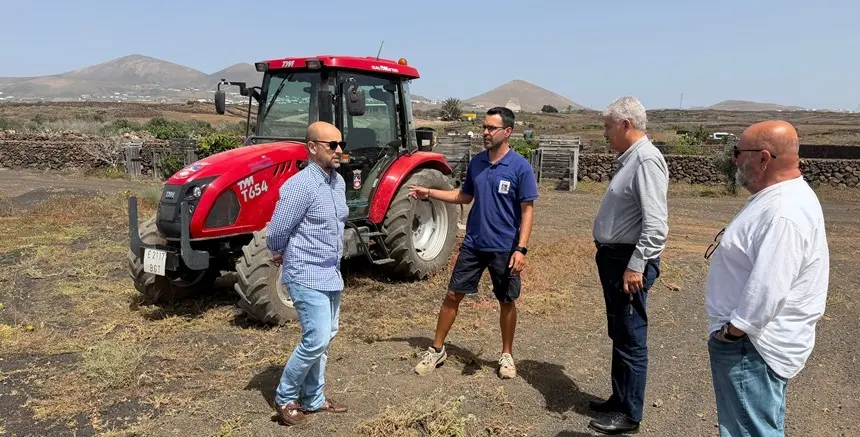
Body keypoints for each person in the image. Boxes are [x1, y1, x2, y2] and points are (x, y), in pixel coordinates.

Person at [704, 120, 829, 437]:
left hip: (751, 346)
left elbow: (768, 288)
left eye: (738, 152)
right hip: (752, 344)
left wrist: (732, 332)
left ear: (763, 158)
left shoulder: (784, 212)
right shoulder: (781, 197)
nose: (734, 159)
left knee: (751, 431)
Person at [409, 106, 538, 379]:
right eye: (484, 127)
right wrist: (429, 192)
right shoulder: (478, 162)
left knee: (506, 300)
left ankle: (506, 355)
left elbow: (527, 210)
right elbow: (464, 196)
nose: (485, 132)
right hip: (474, 244)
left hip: (505, 246)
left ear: (508, 132)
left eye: (491, 128)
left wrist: (521, 249)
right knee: (453, 295)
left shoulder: (520, 168)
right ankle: (436, 349)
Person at [589, 96, 669, 435]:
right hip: (614, 258)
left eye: (608, 127)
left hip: (627, 261)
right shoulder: (630, 159)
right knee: (619, 331)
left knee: (631, 336)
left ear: (625, 125)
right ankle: (619, 399)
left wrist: (636, 266)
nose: (605, 134)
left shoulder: (646, 160)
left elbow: (656, 225)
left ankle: (630, 415)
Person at [266, 121, 350, 426]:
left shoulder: (337, 183)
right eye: (332, 145)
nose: (339, 150)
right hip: (305, 272)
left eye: (341, 144)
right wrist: (277, 251)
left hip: (331, 272)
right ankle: (285, 396)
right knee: (315, 339)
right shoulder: (299, 186)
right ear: (312, 148)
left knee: (326, 336)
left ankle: (314, 399)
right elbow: (277, 229)